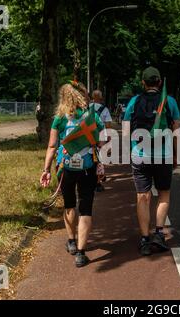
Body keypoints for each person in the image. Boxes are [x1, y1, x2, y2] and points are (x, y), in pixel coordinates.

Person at [40, 82, 104, 267]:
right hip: (87, 168)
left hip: (65, 167)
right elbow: (100, 142)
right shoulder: (91, 117)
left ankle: (71, 241)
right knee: (86, 208)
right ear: (83, 96)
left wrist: (46, 170)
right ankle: (81, 254)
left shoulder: (59, 118)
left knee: (69, 204)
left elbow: (52, 146)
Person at [123, 66, 180, 256]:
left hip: (140, 155)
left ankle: (144, 239)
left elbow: (125, 130)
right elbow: (175, 132)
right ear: (159, 83)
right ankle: (158, 233)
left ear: (143, 83)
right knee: (164, 194)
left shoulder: (134, 101)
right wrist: (175, 154)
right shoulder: (169, 101)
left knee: (143, 196)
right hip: (163, 156)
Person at [89, 90, 112, 192]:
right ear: (101, 98)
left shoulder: (87, 107)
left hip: (88, 136)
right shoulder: (105, 109)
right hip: (101, 136)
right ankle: (98, 183)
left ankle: (89, 179)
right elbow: (108, 125)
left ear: (92, 97)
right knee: (100, 159)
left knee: (90, 157)